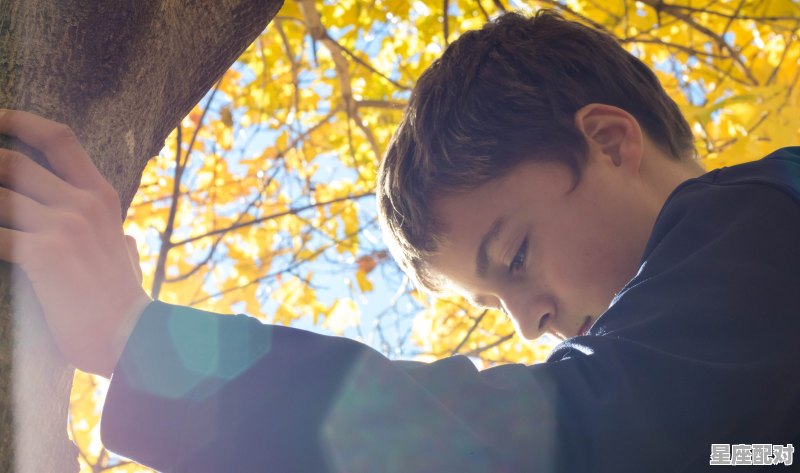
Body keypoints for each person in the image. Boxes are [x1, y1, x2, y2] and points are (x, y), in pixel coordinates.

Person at [0, 9, 798, 472]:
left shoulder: (765, 217)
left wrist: (140, 342)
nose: (530, 324)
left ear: (611, 141)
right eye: (497, 300)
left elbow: (559, 438)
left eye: (514, 256)